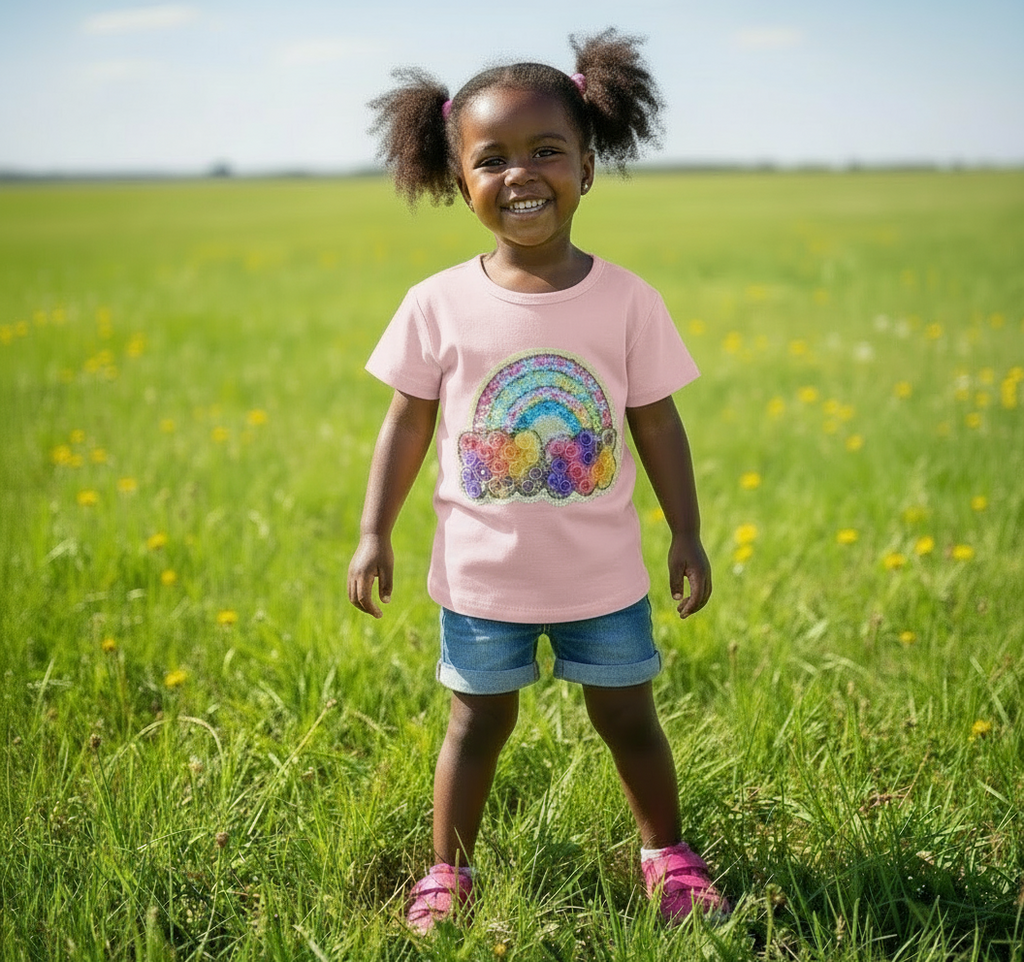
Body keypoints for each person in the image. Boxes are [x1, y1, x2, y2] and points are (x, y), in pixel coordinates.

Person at [348, 28, 730, 933]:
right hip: (483, 577)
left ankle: (667, 857)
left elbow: (657, 421)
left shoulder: (629, 299)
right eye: (493, 159)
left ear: (589, 167)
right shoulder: (436, 303)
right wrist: (373, 531)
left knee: (629, 720)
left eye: (547, 151)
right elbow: (405, 422)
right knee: (475, 727)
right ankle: (449, 872)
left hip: (603, 576)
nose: (522, 174)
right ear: (460, 181)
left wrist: (685, 531)